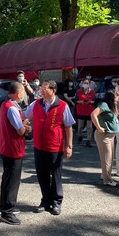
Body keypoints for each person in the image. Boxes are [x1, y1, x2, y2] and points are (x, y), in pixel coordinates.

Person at [23, 80, 75, 216]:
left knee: (56, 175)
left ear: (54, 90)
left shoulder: (63, 106)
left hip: (55, 147)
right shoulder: (37, 103)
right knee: (42, 175)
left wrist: (69, 146)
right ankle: (45, 201)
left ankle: (57, 202)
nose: (42, 90)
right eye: (41, 88)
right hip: (39, 146)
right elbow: (25, 115)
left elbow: (69, 126)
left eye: (46, 88)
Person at [0, 81, 32, 225]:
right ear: (18, 93)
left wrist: (23, 125)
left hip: (8, 147)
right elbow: (19, 130)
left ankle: (5, 206)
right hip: (13, 148)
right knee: (12, 181)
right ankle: (7, 211)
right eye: (23, 91)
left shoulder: (8, 104)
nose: (24, 94)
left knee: (8, 178)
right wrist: (25, 127)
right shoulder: (11, 107)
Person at [91, 91, 119, 187]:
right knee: (106, 159)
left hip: (111, 135)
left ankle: (106, 175)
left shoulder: (112, 106)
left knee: (110, 158)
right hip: (104, 136)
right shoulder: (104, 105)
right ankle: (107, 180)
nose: (118, 96)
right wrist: (99, 127)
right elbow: (93, 114)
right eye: (117, 95)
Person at [76, 78, 96, 147]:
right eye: (84, 83)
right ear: (82, 84)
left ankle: (88, 140)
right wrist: (81, 102)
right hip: (81, 111)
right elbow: (76, 100)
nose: (86, 84)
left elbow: (95, 101)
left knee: (89, 127)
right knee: (80, 126)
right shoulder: (79, 91)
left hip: (89, 111)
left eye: (87, 83)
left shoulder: (92, 92)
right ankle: (80, 136)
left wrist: (90, 102)